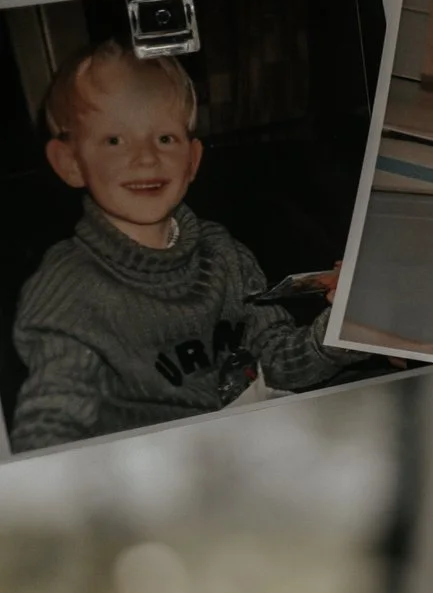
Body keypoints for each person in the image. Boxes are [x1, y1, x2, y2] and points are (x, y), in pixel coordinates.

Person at [11, 41, 353, 452]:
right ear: (70, 162)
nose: (146, 158)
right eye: (115, 140)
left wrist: (343, 325)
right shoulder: (68, 289)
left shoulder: (224, 253)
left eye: (165, 137)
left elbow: (278, 363)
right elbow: (50, 420)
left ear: (191, 160)